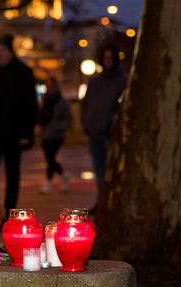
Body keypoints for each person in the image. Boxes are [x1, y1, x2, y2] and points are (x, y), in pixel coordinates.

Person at [0, 34, 37, 222]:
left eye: (2, 51)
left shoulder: (23, 72)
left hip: (14, 132)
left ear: (10, 51)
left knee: (13, 172)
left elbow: (30, 105)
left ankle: (9, 210)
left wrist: (26, 132)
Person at [80, 45, 127, 203]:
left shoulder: (122, 81)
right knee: (98, 169)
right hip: (94, 131)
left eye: (110, 58)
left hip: (110, 132)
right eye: (105, 58)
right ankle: (102, 199)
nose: (107, 61)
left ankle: (111, 202)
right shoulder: (94, 82)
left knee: (111, 170)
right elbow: (85, 104)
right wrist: (86, 123)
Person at [37, 76, 72, 193]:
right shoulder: (45, 100)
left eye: (51, 85)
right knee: (49, 158)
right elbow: (40, 115)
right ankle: (63, 176)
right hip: (46, 133)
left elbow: (68, 118)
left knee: (50, 158)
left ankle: (48, 182)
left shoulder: (62, 102)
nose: (49, 87)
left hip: (57, 135)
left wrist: (59, 126)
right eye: (48, 85)